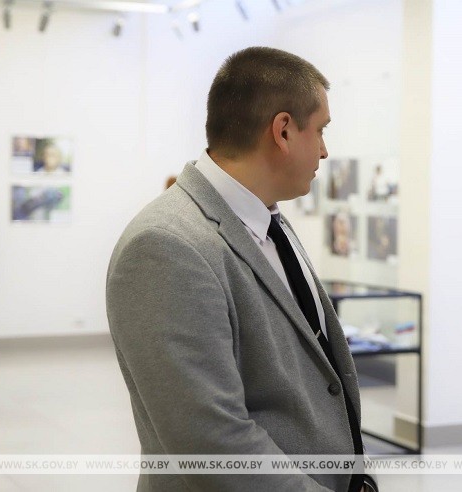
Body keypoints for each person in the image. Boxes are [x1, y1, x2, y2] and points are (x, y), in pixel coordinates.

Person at [106, 47, 377, 492]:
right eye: (321, 130)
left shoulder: (269, 222)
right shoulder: (167, 245)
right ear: (283, 131)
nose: (325, 151)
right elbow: (211, 441)